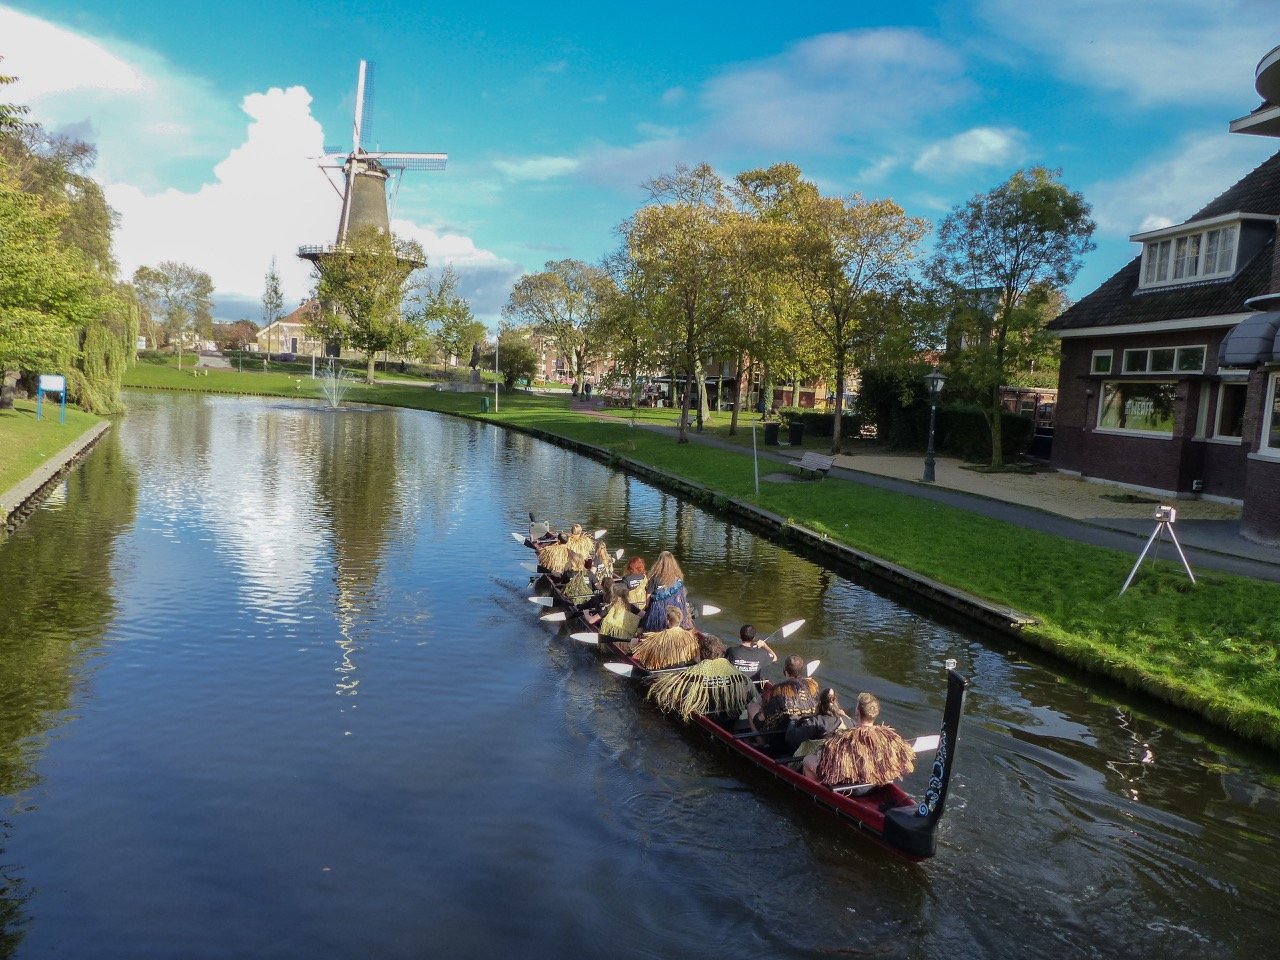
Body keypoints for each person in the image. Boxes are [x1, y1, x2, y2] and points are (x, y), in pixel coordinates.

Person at [801, 692, 916, 791]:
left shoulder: (845, 738)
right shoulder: (888, 737)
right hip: (874, 784)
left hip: (852, 788)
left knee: (807, 760)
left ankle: (820, 793)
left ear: (857, 713)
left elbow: (827, 763)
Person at [748, 655, 819, 732]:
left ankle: (760, 741)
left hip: (780, 731)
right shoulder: (813, 685)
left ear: (785, 671)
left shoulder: (777, 689)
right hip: (804, 727)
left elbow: (765, 712)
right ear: (802, 670)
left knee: (751, 707)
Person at [630, 607, 699, 670]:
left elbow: (641, 650)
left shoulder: (658, 638)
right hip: (681, 667)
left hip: (663, 669)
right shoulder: (690, 636)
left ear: (667, 621)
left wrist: (634, 641)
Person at [786, 688, 851, 755]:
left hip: (817, 762)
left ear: (819, 702)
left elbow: (790, 736)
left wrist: (794, 719)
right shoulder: (847, 721)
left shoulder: (816, 721)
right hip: (840, 760)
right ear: (835, 701)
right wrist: (845, 715)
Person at [639, 550, 692, 631]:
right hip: (675, 615)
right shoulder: (678, 579)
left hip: (657, 616)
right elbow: (682, 600)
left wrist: (646, 610)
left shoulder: (654, 579)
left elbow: (647, 601)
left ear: (659, 563)